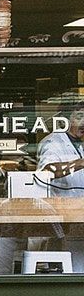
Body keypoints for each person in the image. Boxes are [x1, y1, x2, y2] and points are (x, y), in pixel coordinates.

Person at [35, 103, 84, 271]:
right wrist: (81, 163)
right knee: (70, 269)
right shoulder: (52, 142)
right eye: (78, 117)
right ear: (64, 119)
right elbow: (47, 171)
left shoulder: (80, 144)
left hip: (79, 218)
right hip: (63, 218)